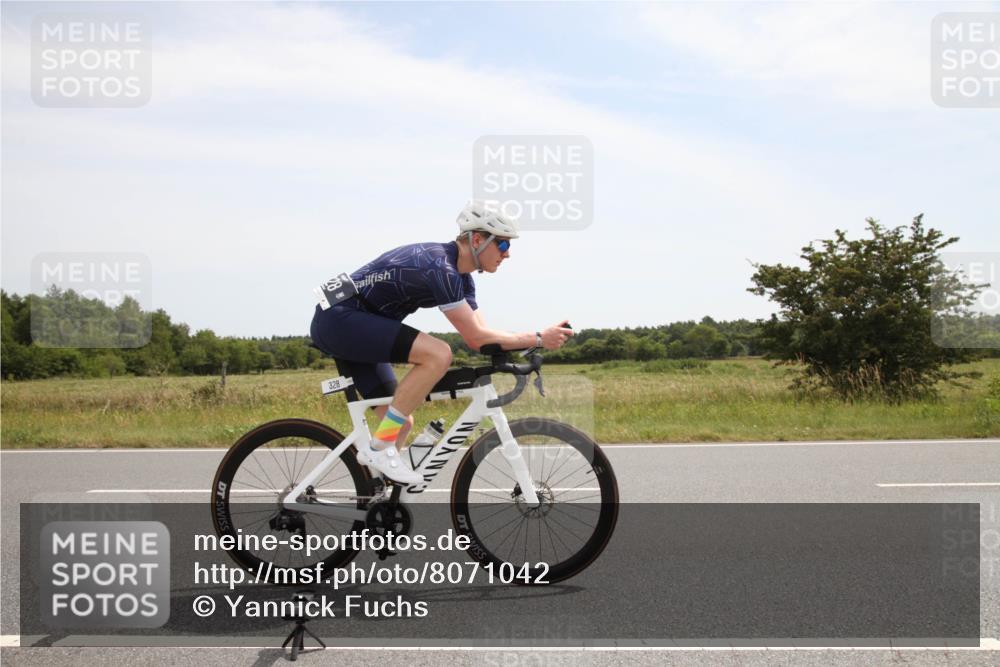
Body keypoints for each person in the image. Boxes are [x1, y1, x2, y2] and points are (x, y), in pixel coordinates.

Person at [309, 202, 574, 484]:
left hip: (359, 324)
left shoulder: (463, 280)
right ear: (476, 239)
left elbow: (482, 335)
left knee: (399, 422)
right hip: (339, 319)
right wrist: (537, 338)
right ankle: (380, 449)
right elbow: (475, 338)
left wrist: (529, 345)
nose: (507, 255)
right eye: (503, 245)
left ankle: (375, 500)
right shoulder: (440, 267)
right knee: (438, 354)